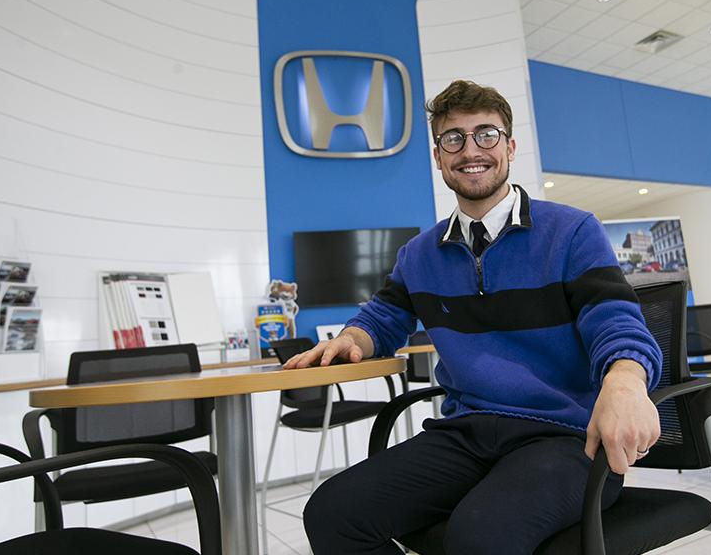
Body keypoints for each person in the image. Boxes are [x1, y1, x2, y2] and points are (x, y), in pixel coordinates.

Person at [284, 79, 663, 555]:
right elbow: (383, 317)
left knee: (478, 537)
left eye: (486, 134)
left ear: (509, 145)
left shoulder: (571, 231)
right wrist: (354, 337)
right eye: (453, 138)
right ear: (439, 157)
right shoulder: (419, 254)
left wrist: (625, 383)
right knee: (333, 514)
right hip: (468, 433)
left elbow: (615, 320)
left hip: (567, 438)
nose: (470, 150)